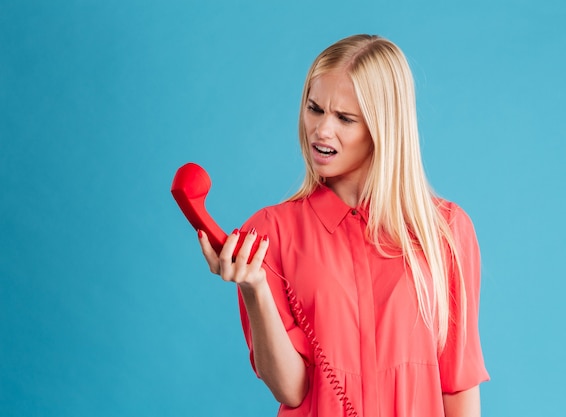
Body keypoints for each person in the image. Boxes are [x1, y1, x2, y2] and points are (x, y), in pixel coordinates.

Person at [198, 34, 489, 417]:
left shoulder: (446, 232)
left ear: (384, 128)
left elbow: (458, 385)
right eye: (315, 109)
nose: (321, 131)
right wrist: (255, 289)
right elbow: (289, 388)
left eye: (344, 119)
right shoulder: (271, 233)